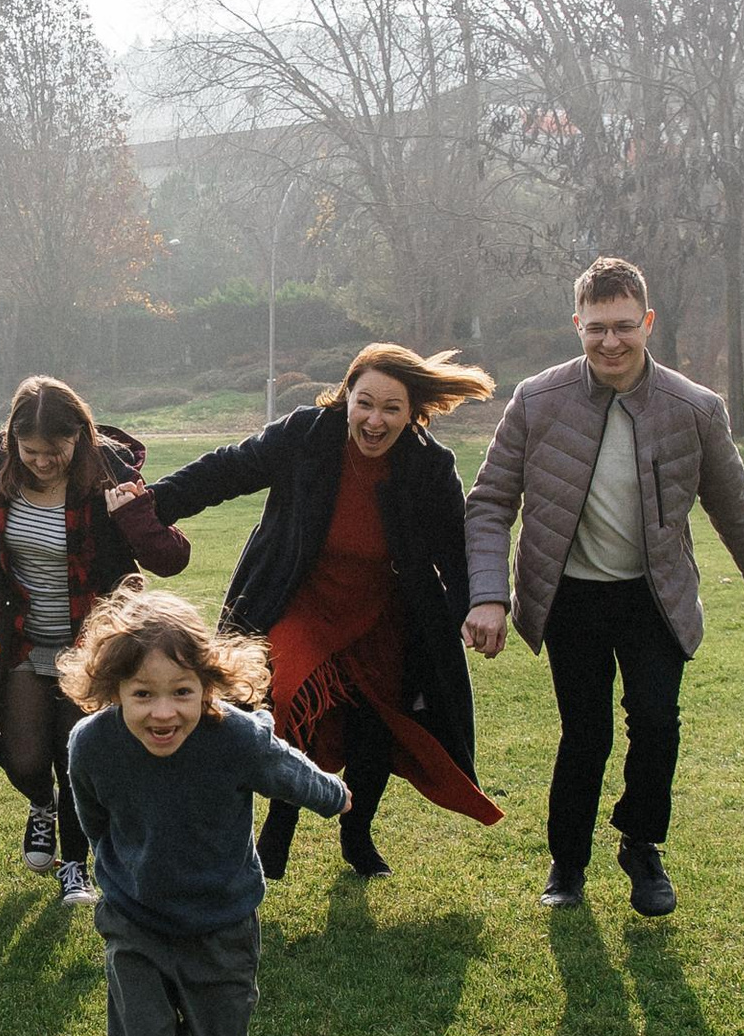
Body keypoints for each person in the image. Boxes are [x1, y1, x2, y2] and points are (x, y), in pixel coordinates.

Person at [462, 256, 744, 918]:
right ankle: (568, 863)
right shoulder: (537, 400)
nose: (609, 342)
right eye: (595, 329)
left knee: (655, 721)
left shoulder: (695, 408)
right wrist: (488, 596)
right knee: (583, 733)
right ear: (577, 327)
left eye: (623, 327)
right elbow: (490, 501)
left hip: (654, 595)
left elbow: (735, 506)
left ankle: (641, 846)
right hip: (572, 598)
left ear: (647, 322)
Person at [127, 342, 503, 880]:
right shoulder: (308, 434)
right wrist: (149, 504)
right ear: (347, 396)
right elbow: (227, 470)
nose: (375, 420)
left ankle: (358, 833)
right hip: (299, 596)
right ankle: (278, 830)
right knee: (289, 699)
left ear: (413, 413)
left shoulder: (429, 465)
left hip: (380, 610)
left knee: (376, 723)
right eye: (364, 402)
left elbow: (453, 549)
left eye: (391, 409)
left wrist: (474, 606)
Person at [63, 586, 347, 1036]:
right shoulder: (91, 745)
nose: (164, 713)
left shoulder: (236, 738)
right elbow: (93, 818)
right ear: (112, 691)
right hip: (134, 923)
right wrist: (122, 875)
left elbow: (290, 772)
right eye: (142, 695)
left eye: (181, 692)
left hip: (221, 924)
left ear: (209, 685)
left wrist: (333, 794)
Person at [0, 376, 191, 910]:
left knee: (72, 755)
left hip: (92, 645)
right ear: (12, 441)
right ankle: (42, 806)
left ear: (78, 436)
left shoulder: (110, 472)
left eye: (54, 451)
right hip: (19, 639)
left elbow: (171, 558)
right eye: (29, 451)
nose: (41, 462)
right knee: (24, 756)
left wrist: (131, 514)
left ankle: (76, 869)